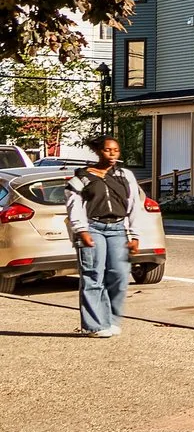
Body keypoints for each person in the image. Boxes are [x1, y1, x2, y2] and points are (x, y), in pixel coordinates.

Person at [65, 136, 144, 337]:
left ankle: (111, 320)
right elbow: (73, 206)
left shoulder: (125, 175)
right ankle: (94, 326)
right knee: (93, 276)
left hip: (118, 229)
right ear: (99, 151)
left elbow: (135, 203)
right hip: (93, 228)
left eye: (116, 150)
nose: (112, 154)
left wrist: (134, 235)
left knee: (119, 275)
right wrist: (81, 230)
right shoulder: (82, 177)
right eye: (108, 150)